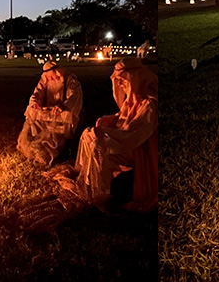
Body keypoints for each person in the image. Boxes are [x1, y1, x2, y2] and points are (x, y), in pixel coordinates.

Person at [64, 58, 162, 210]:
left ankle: (102, 191)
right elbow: (123, 116)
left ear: (135, 79)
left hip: (140, 149)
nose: (120, 85)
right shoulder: (132, 100)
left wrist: (104, 134)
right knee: (89, 136)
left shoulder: (149, 104)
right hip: (126, 140)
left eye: (122, 81)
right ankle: (90, 182)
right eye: (118, 81)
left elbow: (133, 133)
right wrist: (110, 120)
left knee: (97, 144)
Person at [16, 61, 83, 165]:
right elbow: (37, 93)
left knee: (66, 116)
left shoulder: (70, 80)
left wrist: (62, 106)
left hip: (64, 110)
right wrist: (35, 103)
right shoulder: (45, 80)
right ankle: (39, 141)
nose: (51, 79)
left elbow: (74, 97)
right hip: (49, 110)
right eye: (49, 77)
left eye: (52, 77)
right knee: (32, 111)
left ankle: (61, 145)